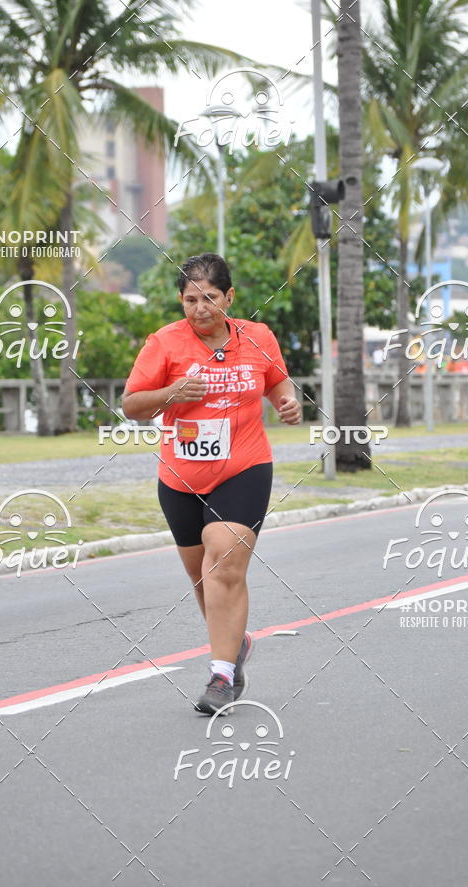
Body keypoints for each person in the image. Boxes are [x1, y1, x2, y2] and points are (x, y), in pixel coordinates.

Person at [122, 253, 302, 714]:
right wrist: (170, 394)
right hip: (180, 476)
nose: (200, 309)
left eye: (210, 298)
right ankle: (235, 644)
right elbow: (132, 405)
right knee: (202, 576)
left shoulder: (258, 337)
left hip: (244, 467)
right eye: (190, 300)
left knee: (223, 565)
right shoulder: (164, 343)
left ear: (229, 297)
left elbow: (277, 382)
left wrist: (287, 402)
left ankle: (221, 675)